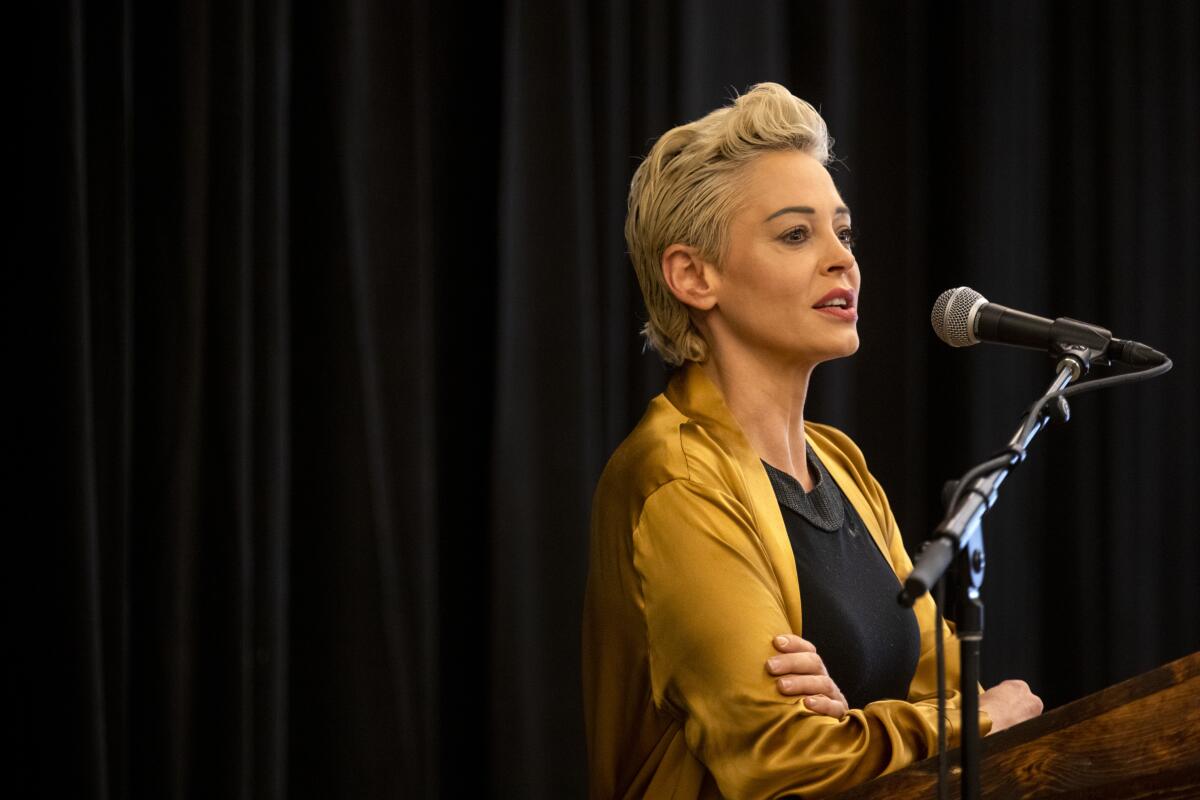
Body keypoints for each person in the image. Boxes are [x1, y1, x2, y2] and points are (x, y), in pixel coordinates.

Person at [581, 83, 1042, 799]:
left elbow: (953, 688)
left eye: (843, 232)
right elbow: (785, 765)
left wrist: (860, 719)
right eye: (797, 234)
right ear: (693, 275)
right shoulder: (677, 480)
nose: (842, 260)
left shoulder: (841, 464)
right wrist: (956, 723)